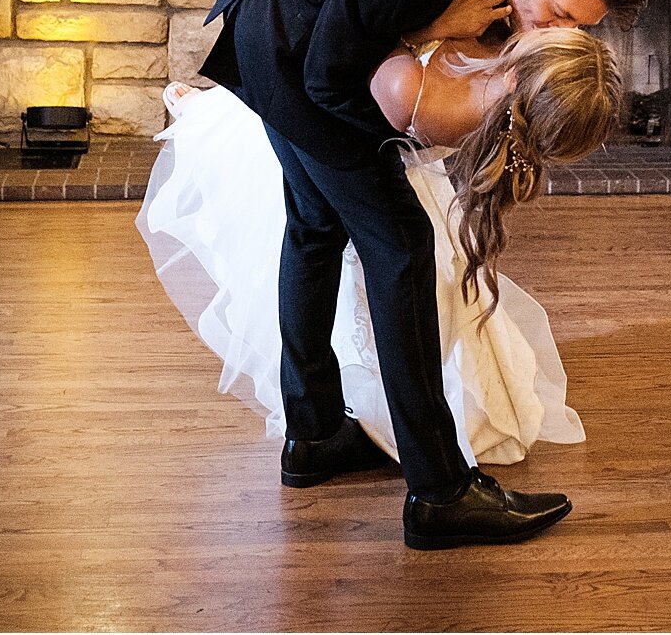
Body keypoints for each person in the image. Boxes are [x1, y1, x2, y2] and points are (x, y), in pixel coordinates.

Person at [188, 0, 658, 549]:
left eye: (579, 29)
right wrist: (438, 28)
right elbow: (327, 77)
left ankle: (313, 435)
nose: (559, 34)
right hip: (288, 29)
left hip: (313, 1)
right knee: (400, 242)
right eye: (557, 12)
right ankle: (439, 492)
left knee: (317, 224)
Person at [143, 24, 621, 482]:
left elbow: (371, 71)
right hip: (355, 131)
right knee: (370, 267)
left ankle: (370, 425)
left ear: (519, 74)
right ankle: (356, 423)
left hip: (355, 141)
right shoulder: (493, 86)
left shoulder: (458, 105)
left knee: (359, 267)